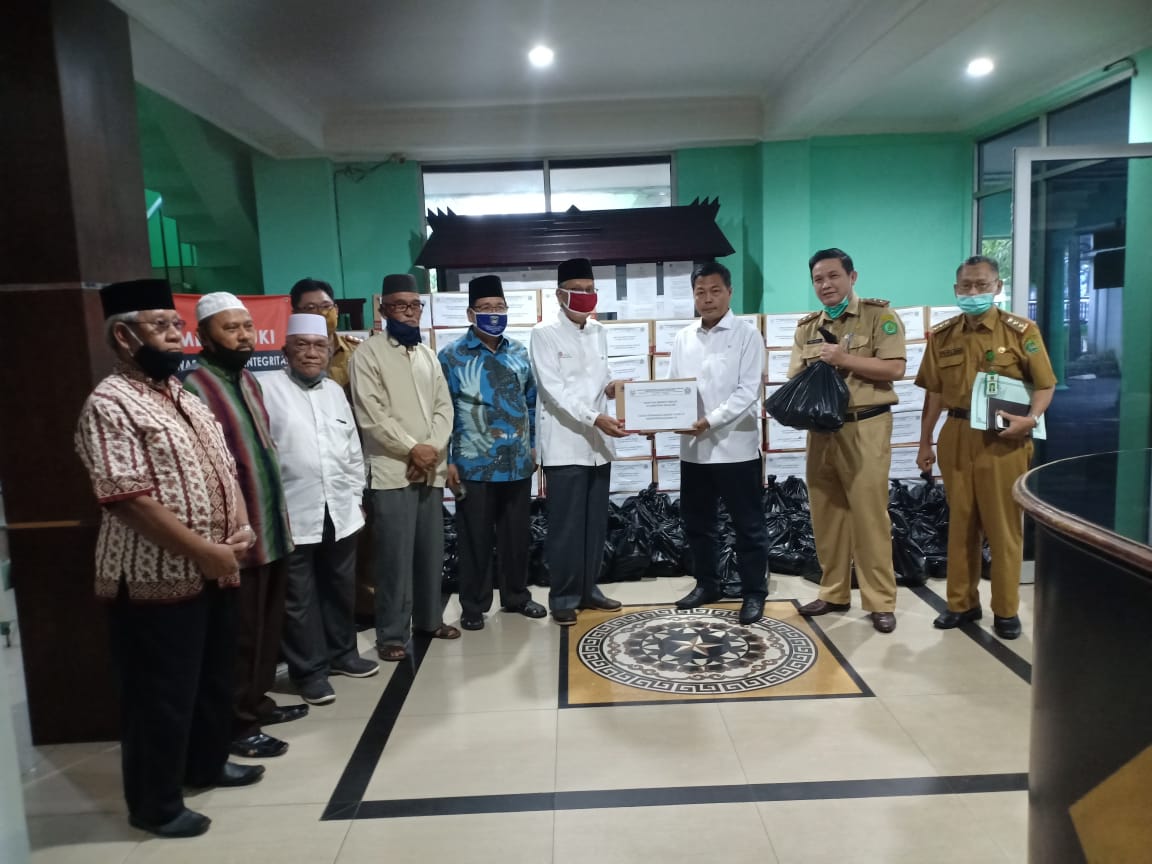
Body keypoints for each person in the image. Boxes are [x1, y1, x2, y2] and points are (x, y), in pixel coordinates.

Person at [75, 279, 264, 839]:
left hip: (215, 570)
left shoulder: (183, 396)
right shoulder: (109, 403)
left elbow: (222, 468)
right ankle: (154, 803)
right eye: (160, 326)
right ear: (124, 336)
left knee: (211, 678)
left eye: (176, 325)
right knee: (160, 693)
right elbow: (127, 498)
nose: (176, 336)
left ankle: (206, 762)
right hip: (153, 578)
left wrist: (238, 528)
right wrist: (204, 550)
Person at [184, 292, 306, 759]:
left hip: (271, 525)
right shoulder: (195, 387)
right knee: (240, 633)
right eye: (230, 328)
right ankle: (236, 724)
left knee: (267, 627)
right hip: (236, 536)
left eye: (247, 327)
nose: (242, 336)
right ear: (204, 335)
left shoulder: (249, 381)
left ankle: (256, 702)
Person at [916, 255, 1056, 640]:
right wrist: (925, 441)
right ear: (956, 289)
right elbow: (934, 393)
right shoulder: (943, 335)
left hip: (1003, 440)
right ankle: (961, 603)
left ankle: (1006, 610)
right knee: (961, 524)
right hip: (956, 432)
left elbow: (1045, 384)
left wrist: (1032, 419)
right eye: (966, 286)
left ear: (997, 287)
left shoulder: (1020, 331)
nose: (973, 292)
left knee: (1002, 526)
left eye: (981, 285)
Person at [260, 314, 379, 706]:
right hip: (293, 512)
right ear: (286, 351)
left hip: (341, 510)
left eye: (319, 346)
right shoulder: (266, 389)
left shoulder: (333, 391)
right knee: (299, 598)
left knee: (340, 588)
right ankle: (309, 672)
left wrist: (356, 496)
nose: (311, 353)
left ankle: (343, 654)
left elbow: (352, 449)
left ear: (330, 351)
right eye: (302, 345)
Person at [789, 248, 906, 634]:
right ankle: (834, 591)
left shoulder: (879, 317)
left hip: (865, 426)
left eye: (833, 276)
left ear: (852, 277)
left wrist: (844, 359)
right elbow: (795, 376)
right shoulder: (807, 328)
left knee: (870, 517)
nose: (826, 285)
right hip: (821, 431)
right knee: (827, 515)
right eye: (818, 279)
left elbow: (895, 368)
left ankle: (880, 601)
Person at [349, 273, 461, 661]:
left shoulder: (427, 354)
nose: (409, 312)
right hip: (392, 471)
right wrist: (413, 449)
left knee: (430, 551)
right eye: (400, 305)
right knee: (394, 558)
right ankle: (392, 634)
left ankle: (429, 620)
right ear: (383, 310)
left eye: (415, 305)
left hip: (428, 469)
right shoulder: (368, 355)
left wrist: (431, 448)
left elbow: (444, 408)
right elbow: (371, 414)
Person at [439, 275, 546, 630]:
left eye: (499, 307)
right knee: (475, 538)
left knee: (516, 537)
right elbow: (442, 411)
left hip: (517, 462)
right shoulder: (451, 356)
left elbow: (530, 402)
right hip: (473, 464)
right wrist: (447, 459)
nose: (494, 313)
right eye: (485, 308)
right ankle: (473, 604)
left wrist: (533, 445)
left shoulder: (519, 352)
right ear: (471, 314)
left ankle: (516, 596)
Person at [670, 262, 769, 625]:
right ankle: (707, 583)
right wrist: (659, 418)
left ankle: (754, 592)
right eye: (700, 292)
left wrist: (709, 421)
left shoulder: (747, 335)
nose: (707, 299)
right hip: (694, 451)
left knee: (748, 526)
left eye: (715, 291)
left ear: (729, 292)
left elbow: (747, 391)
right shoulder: (683, 337)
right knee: (698, 523)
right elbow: (672, 387)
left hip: (735, 448)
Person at [529, 257, 624, 626]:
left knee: (594, 525)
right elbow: (554, 391)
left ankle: (589, 589)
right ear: (559, 295)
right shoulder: (544, 334)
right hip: (565, 444)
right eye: (576, 290)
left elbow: (602, 376)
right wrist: (594, 417)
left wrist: (614, 388)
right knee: (566, 527)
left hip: (598, 445)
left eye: (589, 289)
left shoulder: (599, 331)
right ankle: (564, 596)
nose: (585, 295)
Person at [289, 277, 360, 391]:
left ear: (336, 310)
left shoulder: (357, 351)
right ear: (296, 313)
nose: (321, 313)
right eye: (310, 308)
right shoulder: (289, 355)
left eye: (326, 306)